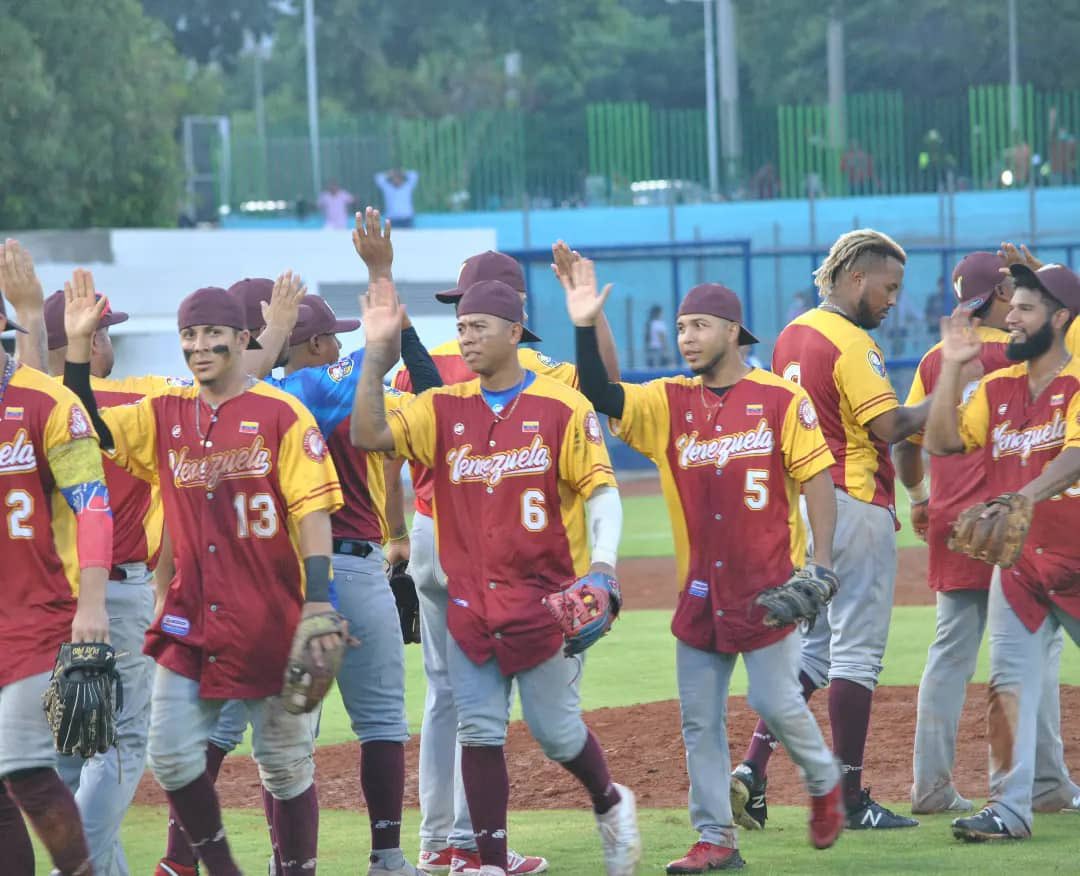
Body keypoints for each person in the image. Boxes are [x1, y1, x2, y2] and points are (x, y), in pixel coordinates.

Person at [559, 262, 845, 872]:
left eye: (700, 326)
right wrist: (586, 324)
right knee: (698, 721)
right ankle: (715, 838)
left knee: (775, 702)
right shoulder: (667, 400)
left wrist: (821, 562)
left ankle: (823, 782)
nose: (686, 337)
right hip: (698, 592)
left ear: (734, 331)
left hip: (768, 589)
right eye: (683, 326)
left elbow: (817, 477)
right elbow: (603, 394)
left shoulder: (779, 398)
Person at [352, 279, 641, 876]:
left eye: (480, 325)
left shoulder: (562, 407)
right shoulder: (441, 407)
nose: (467, 336)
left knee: (557, 734)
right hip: (470, 606)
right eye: (461, 327)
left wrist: (604, 567)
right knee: (480, 731)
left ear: (516, 332)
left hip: (545, 602)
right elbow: (368, 436)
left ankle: (611, 804)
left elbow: (601, 491)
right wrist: (378, 355)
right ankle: (486, 863)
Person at [63, 273, 345, 876]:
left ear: (242, 339)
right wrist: (79, 350)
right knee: (169, 756)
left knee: (285, 763)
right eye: (189, 334)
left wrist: (318, 601)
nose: (199, 345)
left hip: (273, 616)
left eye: (213, 333)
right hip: (190, 618)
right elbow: (90, 425)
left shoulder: (282, 413)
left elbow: (314, 511)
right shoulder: (162, 413)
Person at [732, 229, 929, 831]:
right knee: (858, 655)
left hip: (806, 508)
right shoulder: (851, 340)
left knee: (813, 650)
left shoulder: (791, 334)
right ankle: (848, 796)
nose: (894, 299)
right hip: (856, 502)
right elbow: (890, 425)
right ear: (856, 279)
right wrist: (947, 394)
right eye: (888, 286)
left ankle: (752, 767)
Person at [896, 252, 1080, 816]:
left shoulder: (1073, 379)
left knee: (973, 660)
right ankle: (1019, 800)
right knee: (1015, 675)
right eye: (1012, 304)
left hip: (1051, 547)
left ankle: (985, 789)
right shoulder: (997, 379)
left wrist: (1019, 494)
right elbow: (942, 441)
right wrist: (954, 366)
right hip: (1012, 551)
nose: (1012, 316)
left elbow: (1076, 457)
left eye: (1025, 306)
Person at [38, 286, 170, 876]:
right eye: (105, 330)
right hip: (113, 594)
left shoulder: (26, 407)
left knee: (68, 753)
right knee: (119, 743)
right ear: (89, 340)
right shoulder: (137, 398)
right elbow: (241, 374)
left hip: (44, 600)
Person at [0, 283, 113, 876]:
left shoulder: (47, 403)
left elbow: (94, 505)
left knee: (23, 769)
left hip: (35, 616)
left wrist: (91, 605)